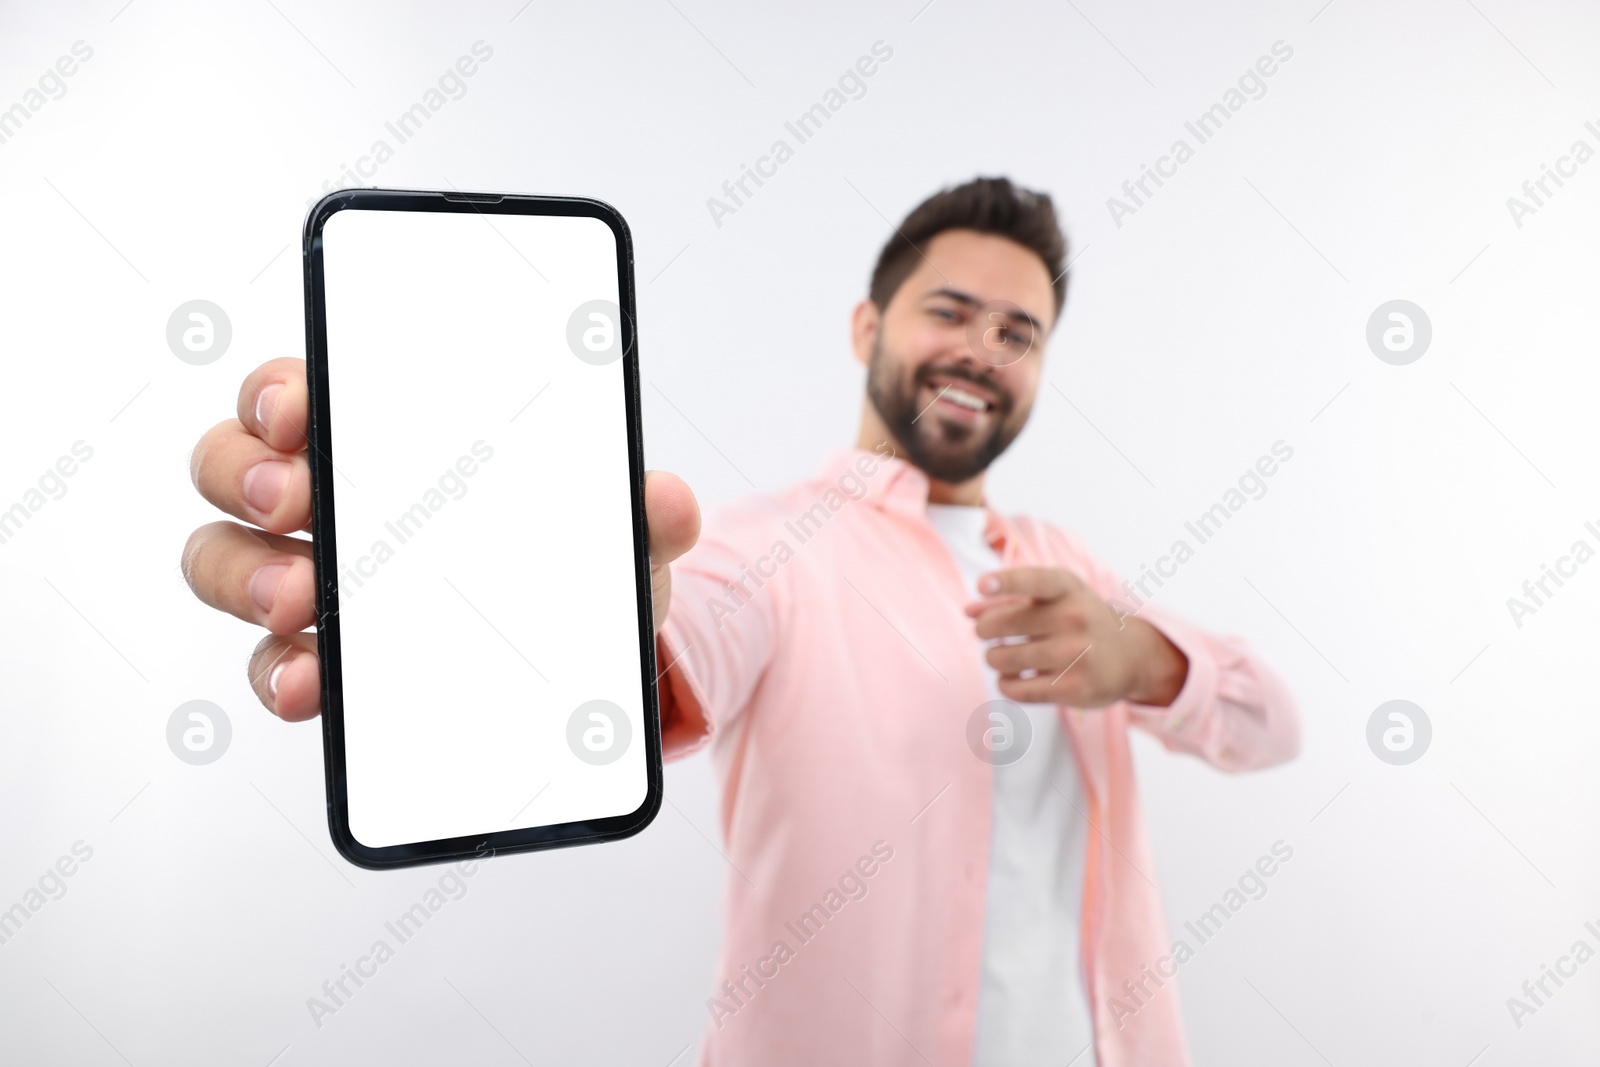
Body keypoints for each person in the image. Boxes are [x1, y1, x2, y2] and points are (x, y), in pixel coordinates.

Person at [182, 175, 1300, 1067]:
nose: (982, 350)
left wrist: (1139, 656)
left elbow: (1269, 726)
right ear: (868, 322)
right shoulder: (766, 549)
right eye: (950, 310)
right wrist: (564, 610)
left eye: (1020, 331)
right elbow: (677, 637)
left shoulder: (1069, 564)